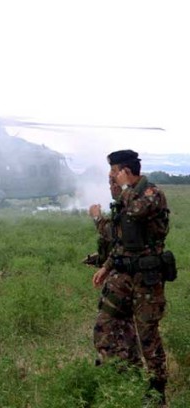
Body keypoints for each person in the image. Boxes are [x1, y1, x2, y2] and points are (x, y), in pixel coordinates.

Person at [90, 150, 171, 405]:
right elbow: (122, 239)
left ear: (125, 170)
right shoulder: (125, 197)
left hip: (146, 280)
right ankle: (124, 374)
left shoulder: (151, 194)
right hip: (122, 276)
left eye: (114, 171)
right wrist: (107, 265)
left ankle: (156, 391)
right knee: (106, 326)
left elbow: (137, 212)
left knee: (148, 337)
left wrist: (124, 187)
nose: (111, 177)